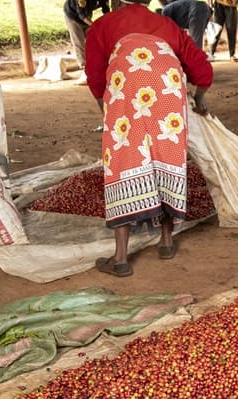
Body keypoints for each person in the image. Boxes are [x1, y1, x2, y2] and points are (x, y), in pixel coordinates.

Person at [84, 0, 213, 277]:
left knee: (123, 160)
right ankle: (166, 241)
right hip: (167, 91)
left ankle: (120, 259)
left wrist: (107, 111)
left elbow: (95, 77)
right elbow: (201, 69)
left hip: (126, 90)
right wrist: (199, 99)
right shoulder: (167, 25)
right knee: (166, 157)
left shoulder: (102, 26)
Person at [63, 0, 110, 84]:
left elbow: (106, 10)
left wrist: (108, 24)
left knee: (91, 41)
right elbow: (81, 15)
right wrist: (95, 26)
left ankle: (94, 67)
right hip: (73, 15)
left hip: (86, 14)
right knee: (79, 42)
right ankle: (84, 70)